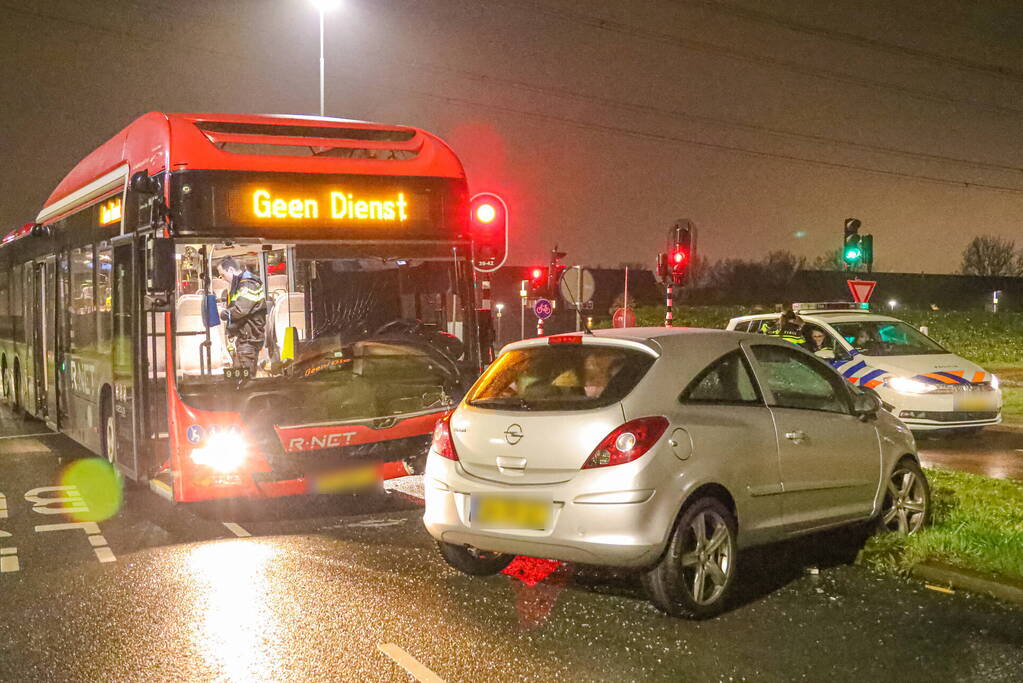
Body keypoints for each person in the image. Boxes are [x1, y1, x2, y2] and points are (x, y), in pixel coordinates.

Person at [217, 256, 267, 375]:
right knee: (239, 379)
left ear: (230, 270)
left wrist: (224, 313)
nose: (222, 278)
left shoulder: (247, 285)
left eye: (222, 275)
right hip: (245, 338)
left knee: (246, 381)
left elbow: (241, 310)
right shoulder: (241, 284)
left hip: (248, 340)